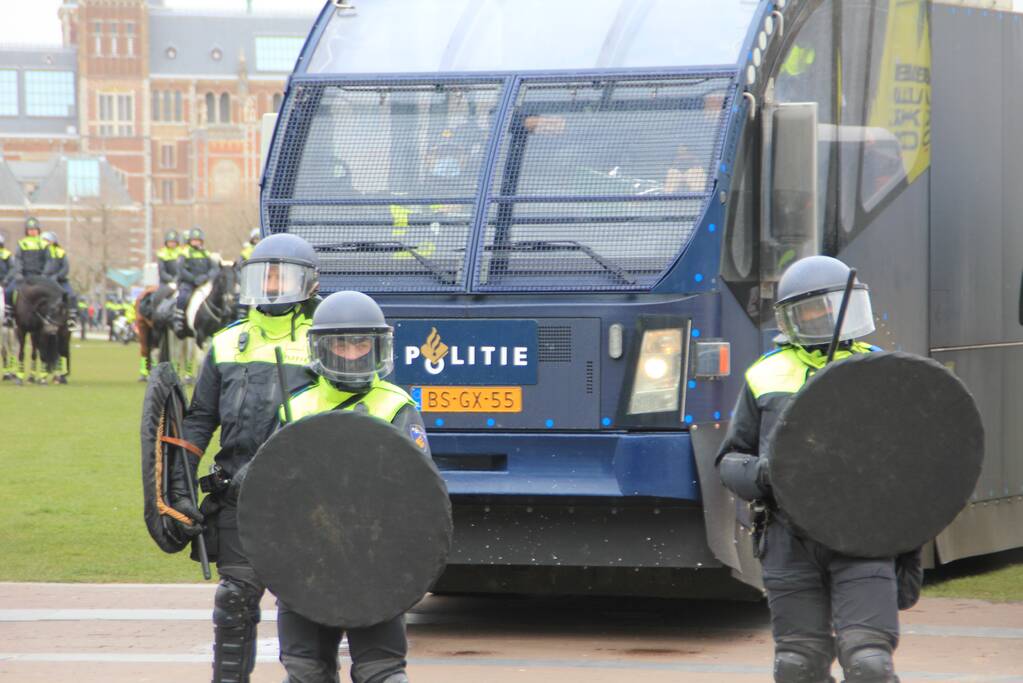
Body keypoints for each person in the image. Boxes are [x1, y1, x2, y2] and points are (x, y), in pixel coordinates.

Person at [716, 255, 912, 683]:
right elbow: (730, 460)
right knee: (797, 665)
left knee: (869, 664)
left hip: (863, 535)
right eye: (811, 309)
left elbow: (918, 459)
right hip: (788, 538)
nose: (824, 316)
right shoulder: (766, 374)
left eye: (833, 306)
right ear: (791, 318)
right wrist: (766, 474)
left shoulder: (883, 371)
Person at [172, 233, 320, 683]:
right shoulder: (225, 343)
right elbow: (200, 418)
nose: (272, 286)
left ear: (309, 284)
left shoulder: (324, 340)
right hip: (236, 497)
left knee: (307, 608)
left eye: (282, 277)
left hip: (305, 502)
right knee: (233, 601)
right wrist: (180, 485)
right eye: (265, 276)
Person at [273, 290, 428, 683]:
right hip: (306, 563)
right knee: (306, 672)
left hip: (376, 561)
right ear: (322, 348)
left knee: (382, 672)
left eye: (361, 343)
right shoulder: (295, 407)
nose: (352, 353)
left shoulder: (396, 406)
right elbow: (271, 490)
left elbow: (420, 490)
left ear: (378, 347)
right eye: (341, 344)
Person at [174, 227, 220, 338]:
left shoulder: (206, 253)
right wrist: (193, 279)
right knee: (182, 297)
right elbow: (181, 270)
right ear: (189, 240)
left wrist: (206, 277)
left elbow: (214, 269)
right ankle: (178, 320)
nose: (196, 242)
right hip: (188, 283)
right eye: (194, 240)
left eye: (198, 240)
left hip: (204, 284)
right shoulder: (184, 253)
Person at [6, 217, 49, 305]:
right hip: (25, 275)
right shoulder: (22, 243)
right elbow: (18, 259)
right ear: (27, 231)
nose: (32, 231)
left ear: (38, 230)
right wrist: (18, 274)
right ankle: (9, 311)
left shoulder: (44, 244)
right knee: (8, 291)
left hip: (41, 276)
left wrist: (45, 275)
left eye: (34, 229)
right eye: (30, 229)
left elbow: (49, 261)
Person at [40, 231, 75, 315]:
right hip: (43, 280)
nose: (45, 242)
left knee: (71, 295)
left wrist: (57, 276)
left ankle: (72, 315)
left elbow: (65, 268)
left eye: (47, 240)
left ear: (53, 241)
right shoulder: (39, 251)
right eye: (43, 240)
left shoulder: (60, 252)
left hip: (60, 280)